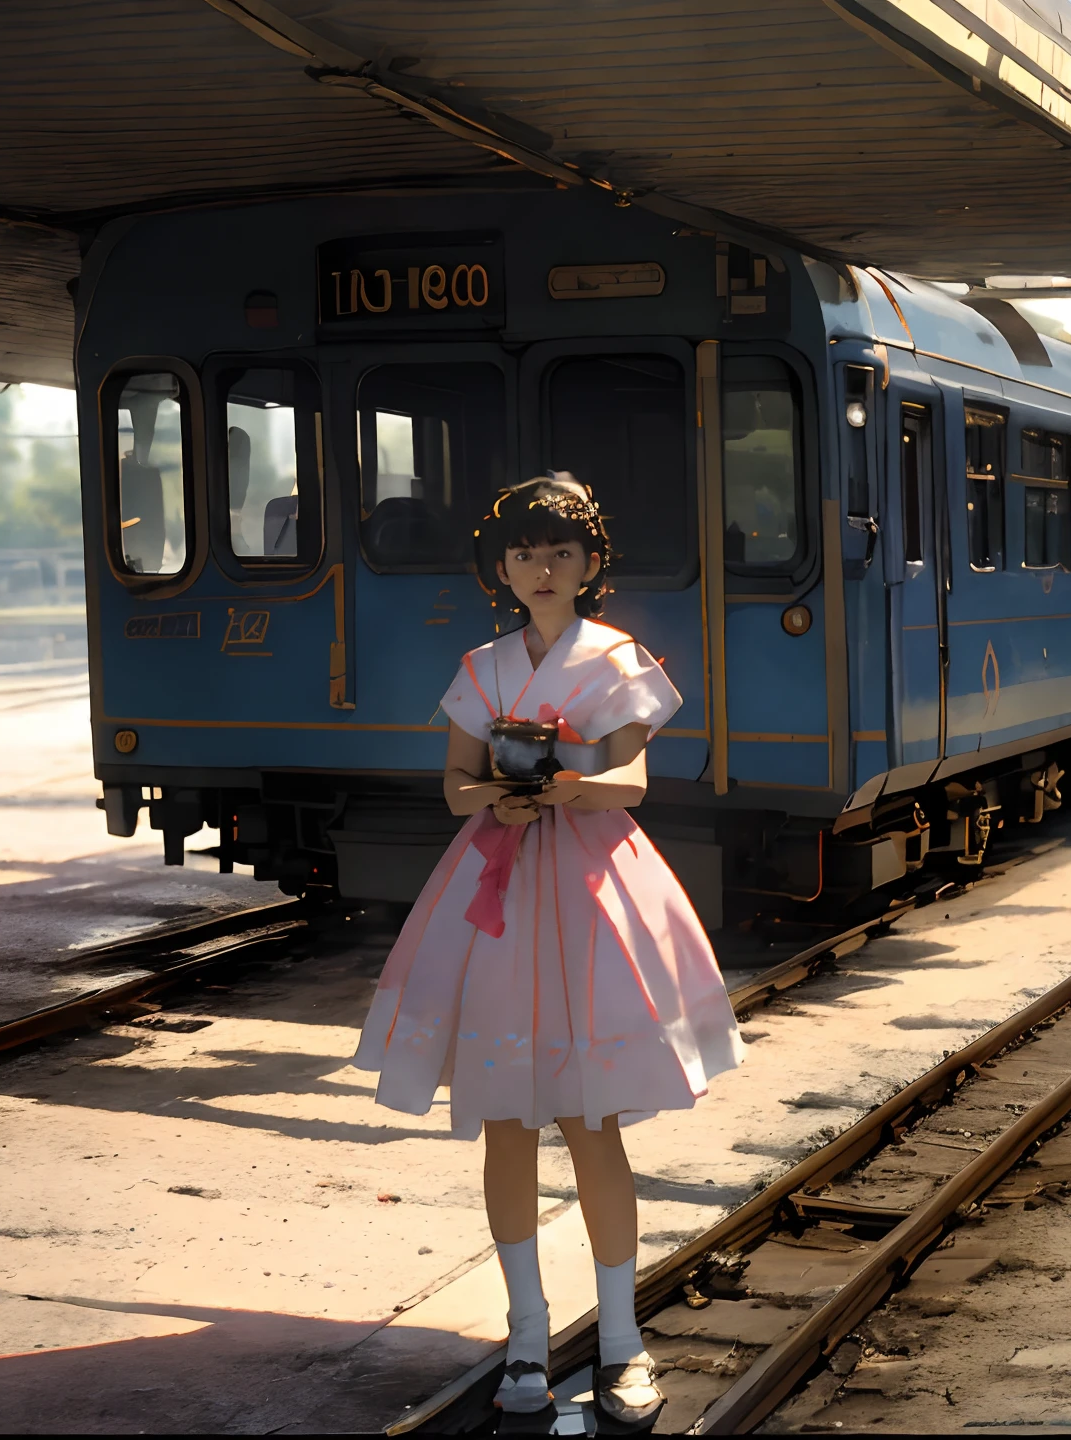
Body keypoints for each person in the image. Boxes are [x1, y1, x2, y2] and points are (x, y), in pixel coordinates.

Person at [354, 475, 744, 1424]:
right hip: (498, 885)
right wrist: (497, 792)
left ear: (590, 565)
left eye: (560, 553)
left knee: (591, 1118)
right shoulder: (481, 666)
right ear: (502, 567)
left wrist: (563, 782)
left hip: (589, 888)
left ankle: (621, 1340)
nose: (541, 569)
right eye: (525, 554)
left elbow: (634, 779)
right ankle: (525, 1336)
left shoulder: (614, 658)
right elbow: (452, 784)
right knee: (504, 1121)